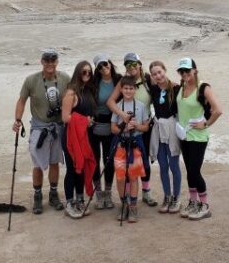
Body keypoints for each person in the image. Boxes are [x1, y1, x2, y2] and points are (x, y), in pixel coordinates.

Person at [12, 48, 69, 214]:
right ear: (42, 61)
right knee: (37, 163)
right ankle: (37, 195)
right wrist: (17, 120)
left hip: (58, 127)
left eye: (53, 60)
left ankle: (53, 193)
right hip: (39, 127)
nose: (50, 64)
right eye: (47, 60)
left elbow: (74, 96)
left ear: (57, 62)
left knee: (54, 162)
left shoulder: (65, 78)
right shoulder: (31, 80)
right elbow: (22, 100)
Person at [106, 52, 157, 207]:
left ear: (140, 64)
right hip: (126, 127)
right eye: (128, 65)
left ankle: (146, 192)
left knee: (145, 162)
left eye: (134, 64)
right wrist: (122, 116)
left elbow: (163, 85)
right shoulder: (124, 81)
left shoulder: (148, 79)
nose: (131, 67)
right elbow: (110, 102)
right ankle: (128, 196)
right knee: (128, 163)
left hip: (144, 126)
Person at [176, 57, 222, 220]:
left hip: (198, 137)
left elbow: (217, 110)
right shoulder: (181, 87)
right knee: (189, 171)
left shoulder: (203, 87)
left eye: (187, 71)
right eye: (181, 71)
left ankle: (204, 205)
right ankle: (193, 202)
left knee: (195, 171)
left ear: (195, 70)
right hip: (184, 136)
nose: (184, 74)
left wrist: (206, 124)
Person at [61, 60, 97, 219]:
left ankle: (80, 199)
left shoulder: (87, 91)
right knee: (72, 168)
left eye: (89, 72)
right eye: (84, 72)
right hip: (71, 136)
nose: (87, 75)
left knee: (81, 167)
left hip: (84, 136)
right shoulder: (71, 93)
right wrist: (85, 121)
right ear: (77, 72)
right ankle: (69, 202)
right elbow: (65, 117)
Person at [111, 76, 150, 223]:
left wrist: (136, 126)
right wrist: (124, 127)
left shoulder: (140, 106)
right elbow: (113, 128)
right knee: (120, 177)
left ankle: (133, 205)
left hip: (135, 143)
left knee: (133, 176)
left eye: (131, 88)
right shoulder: (118, 106)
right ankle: (124, 204)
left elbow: (146, 127)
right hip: (121, 144)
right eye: (125, 88)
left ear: (135, 90)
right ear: (121, 90)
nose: (128, 91)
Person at [148, 60, 182, 213]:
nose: (157, 75)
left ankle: (176, 198)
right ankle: (167, 196)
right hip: (158, 128)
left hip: (172, 128)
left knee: (174, 165)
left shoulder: (176, 88)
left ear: (165, 70)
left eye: (159, 72)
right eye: (154, 74)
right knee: (162, 165)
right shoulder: (153, 89)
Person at [90, 54, 122, 210]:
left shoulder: (119, 79)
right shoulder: (94, 82)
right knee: (94, 160)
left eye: (105, 63)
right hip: (95, 125)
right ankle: (98, 194)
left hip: (112, 125)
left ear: (110, 62)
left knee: (109, 160)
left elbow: (133, 87)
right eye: (99, 66)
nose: (103, 67)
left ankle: (108, 193)